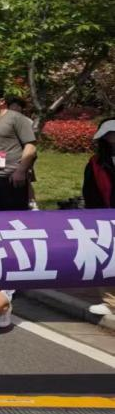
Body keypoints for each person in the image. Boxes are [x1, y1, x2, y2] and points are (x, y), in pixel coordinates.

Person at [83, 118, 115, 317]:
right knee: (107, 258)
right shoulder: (96, 162)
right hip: (106, 216)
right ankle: (111, 302)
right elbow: (90, 192)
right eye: (109, 134)